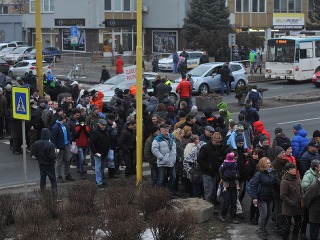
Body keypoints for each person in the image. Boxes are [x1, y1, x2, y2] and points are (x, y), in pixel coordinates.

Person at [251, 157, 276, 240]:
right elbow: (253, 186)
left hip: (269, 197)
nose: (269, 164)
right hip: (261, 197)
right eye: (267, 163)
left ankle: (263, 227)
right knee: (263, 214)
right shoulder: (258, 174)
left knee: (269, 214)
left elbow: (274, 182)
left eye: (269, 163)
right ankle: (261, 231)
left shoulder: (271, 172)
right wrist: (254, 198)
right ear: (263, 164)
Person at [198, 132, 225, 205]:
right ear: (212, 139)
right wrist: (208, 166)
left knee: (213, 190)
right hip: (207, 172)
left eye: (219, 141)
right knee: (209, 191)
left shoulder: (219, 147)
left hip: (215, 172)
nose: (218, 143)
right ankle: (207, 207)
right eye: (216, 141)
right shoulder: (205, 147)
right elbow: (200, 159)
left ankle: (210, 205)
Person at [280, 162, 303, 240]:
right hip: (289, 208)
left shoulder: (297, 178)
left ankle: (294, 237)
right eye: (291, 169)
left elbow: (300, 190)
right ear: (287, 170)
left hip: (298, 207)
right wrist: (292, 203)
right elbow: (283, 195)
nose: (294, 170)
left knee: (298, 224)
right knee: (286, 227)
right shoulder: (285, 181)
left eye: (294, 168)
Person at [152, 123, 176, 192]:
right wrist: (161, 157)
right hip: (162, 162)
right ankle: (159, 194)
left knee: (173, 177)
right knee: (161, 179)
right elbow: (154, 149)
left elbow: (174, 149)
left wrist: (174, 157)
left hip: (171, 161)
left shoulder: (172, 137)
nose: (166, 130)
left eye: (167, 128)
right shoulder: (157, 139)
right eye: (164, 128)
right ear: (160, 130)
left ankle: (169, 192)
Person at [50, 114, 75, 183]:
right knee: (59, 161)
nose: (66, 120)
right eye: (65, 119)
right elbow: (52, 138)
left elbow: (68, 133)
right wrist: (55, 147)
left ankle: (67, 174)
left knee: (67, 159)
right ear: (63, 119)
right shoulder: (55, 127)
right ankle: (58, 176)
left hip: (66, 145)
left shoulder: (64, 125)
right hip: (59, 146)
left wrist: (69, 141)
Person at [34, 128, 57, 199]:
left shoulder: (37, 143)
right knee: (53, 180)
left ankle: (43, 194)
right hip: (49, 165)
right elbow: (52, 157)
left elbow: (35, 153)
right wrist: (56, 153)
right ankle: (54, 195)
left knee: (42, 180)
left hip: (41, 164)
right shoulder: (50, 145)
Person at [219, 151, 240, 224]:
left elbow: (238, 174)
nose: (235, 160)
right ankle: (222, 214)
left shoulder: (235, 165)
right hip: (226, 185)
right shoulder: (224, 165)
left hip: (233, 185)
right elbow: (222, 176)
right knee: (227, 202)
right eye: (234, 159)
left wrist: (232, 176)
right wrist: (233, 176)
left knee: (234, 202)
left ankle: (232, 217)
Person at [301, 160, 320, 239]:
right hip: (315, 214)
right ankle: (302, 233)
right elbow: (306, 198)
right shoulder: (315, 186)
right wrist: (309, 207)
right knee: (313, 234)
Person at [272, 146, 289, 236]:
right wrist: (284, 184)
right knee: (279, 211)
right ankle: (279, 228)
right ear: (277, 155)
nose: (284, 154)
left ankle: (280, 221)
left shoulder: (287, 162)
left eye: (284, 152)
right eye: (282, 152)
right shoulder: (274, 164)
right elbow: (276, 179)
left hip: (287, 191)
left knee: (284, 210)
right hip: (278, 191)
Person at [89, 119, 110, 188]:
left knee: (102, 167)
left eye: (104, 125)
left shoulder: (105, 131)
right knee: (98, 167)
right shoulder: (95, 132)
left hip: (103, 152)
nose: (103, 126)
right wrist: (95, 152)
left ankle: (99, 180)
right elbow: (91, 143)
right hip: (98, 152)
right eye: (102, 125)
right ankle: (99, 182)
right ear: (99, 124)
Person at [245, 149, 264, 225]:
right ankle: (252, 217)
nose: (253, 156)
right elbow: (247, 174)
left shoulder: (261, 163)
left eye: (255, 154)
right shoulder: (250, 163)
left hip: (261, 184)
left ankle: (258, 217)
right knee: (254, 202)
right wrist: (253, 181)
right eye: (253, 154)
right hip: (254, 184)